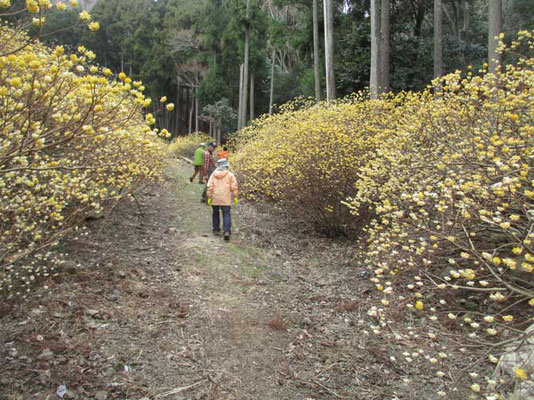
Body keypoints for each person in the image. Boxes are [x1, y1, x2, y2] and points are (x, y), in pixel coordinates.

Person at [207, 158, 238, 241]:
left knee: (215, 213)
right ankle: (227, 231)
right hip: (226, 198)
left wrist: (209, 196)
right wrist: (235, 196)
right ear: (226, 166)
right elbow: (234, 187)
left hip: (215, 197)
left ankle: (216, 230)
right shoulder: (230, 175)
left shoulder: (213, 174)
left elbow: (210, 186)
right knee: (226, 214)